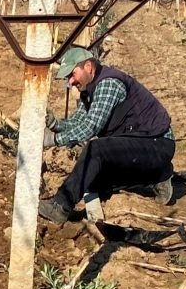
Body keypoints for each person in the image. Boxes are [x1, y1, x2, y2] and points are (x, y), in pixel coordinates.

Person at [37, 47, 174, 224]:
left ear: (88, 66)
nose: (70, 81)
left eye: (72, 74)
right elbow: (78, 121)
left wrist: (54, 140)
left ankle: (60, 206)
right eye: (67, 78)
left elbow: (90, 127)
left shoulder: (108, 84)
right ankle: (156, 176)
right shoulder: (89, 90)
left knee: (95, 149)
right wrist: (55, 125)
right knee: (93, 179)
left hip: (157, 143)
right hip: (137, 144)